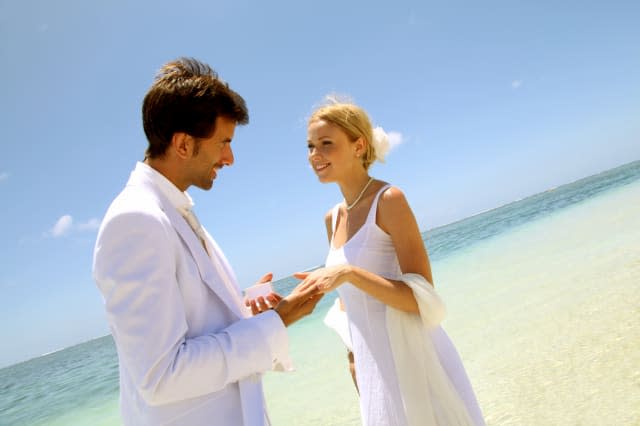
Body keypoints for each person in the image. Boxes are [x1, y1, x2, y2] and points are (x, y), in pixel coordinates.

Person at [92, 58, 323, 426]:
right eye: (223, 142)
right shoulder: (135, 220)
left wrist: (242, 307)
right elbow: (160, 377)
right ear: (183, 144)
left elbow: (193, 319)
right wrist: (279, 320)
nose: (229, 158)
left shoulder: (171, 210)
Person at [296, 98, 485, 425]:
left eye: (327, 144)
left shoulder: (389, 200)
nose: (315, 155)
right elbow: (348, 306)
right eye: (311, 146)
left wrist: (349, 273)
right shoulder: (332, 218)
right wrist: (353, 357)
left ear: (359, 145)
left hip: (415, 360)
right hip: (374, 369)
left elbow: (422, 298)